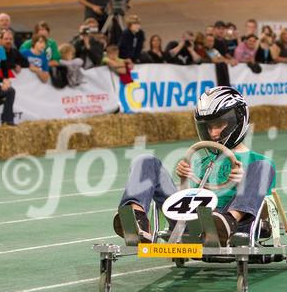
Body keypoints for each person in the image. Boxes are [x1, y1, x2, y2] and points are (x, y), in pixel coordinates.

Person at [115, 86, 276, 246]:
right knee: (145, 160)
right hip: (190, 221)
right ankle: (137, 220)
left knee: (262, 167)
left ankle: (226, 222)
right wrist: (184, 179)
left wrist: (243, 181)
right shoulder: (200, 160)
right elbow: (188, 201)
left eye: (219, 125)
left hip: (231, 226)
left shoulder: (258, 162)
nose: (213, 133)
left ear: (238, 121)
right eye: (209, 127)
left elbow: (264, 209)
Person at [0, 29, 16, 125]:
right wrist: (1, 82)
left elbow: (5, 69)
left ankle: (7, 121)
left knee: (10, 90)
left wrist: (5, 80)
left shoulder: (0, 50)